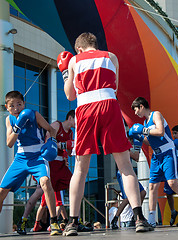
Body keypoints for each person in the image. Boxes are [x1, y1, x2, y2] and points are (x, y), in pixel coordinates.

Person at [58, 32, 152, 236]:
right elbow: (115, 88)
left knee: (81, 169)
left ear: (79, 49)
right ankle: (139, 218)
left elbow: (69, 94)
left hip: (85, 108)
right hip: (109, 105)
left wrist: (65, 73)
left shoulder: (74, 60)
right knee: (125, 165)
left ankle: (72, 222)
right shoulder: (111, 57)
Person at [0, 91, 61, 239]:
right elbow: (9, 143)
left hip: (38, 155)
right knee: (0, 192)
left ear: (24, 104)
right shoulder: (9, 120)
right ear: (7, 107)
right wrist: (18, 126)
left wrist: (52, 141)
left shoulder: (34, 114)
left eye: (19, 104)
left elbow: (51, 129)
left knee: (45, 182)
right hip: (20, 158)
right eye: (12, 105)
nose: (16, 108)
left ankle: (54, 222)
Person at [129, 97, 178, 227]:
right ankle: (151, 219)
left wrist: (143, 131)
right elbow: (150, 140)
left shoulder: (156, 114)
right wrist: (138, 136)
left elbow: (160, 131)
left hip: (168, 152)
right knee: (152, 187)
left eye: (135, 110)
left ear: (141, 106)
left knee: (173, 183)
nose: (135, 113)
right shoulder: (145, 122)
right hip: (157, 155)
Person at [34, 110, 76, 232]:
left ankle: (73, 220)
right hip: (51, 163)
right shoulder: (57, 125)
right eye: (76, 120)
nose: (77, 123)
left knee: (74, 185)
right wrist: (63, 145)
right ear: (70, 118)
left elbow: (69, 152)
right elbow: (48, 142)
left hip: (61, 165)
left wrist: (70, 148)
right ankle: (37, 223)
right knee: (44, 200)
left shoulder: (71, 133)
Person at [111, 136, 147, 229]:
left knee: (142, 193)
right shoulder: (124, 148)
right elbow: (136, 157)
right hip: (123, 174)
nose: (132, 142)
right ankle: (115, 219)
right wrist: (138, 147)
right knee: (127, 199)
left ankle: (137, 215)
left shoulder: (126, 147)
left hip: (129, 173)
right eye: (131, 140)